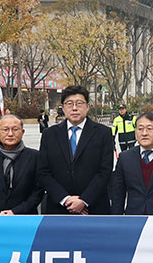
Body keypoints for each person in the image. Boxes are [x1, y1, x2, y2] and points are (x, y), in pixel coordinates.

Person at [37, 85, 114, 215]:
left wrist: (84, 200)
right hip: (59, 208)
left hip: (94, 207)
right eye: (69, 104)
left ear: (87, 106)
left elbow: (105, 171)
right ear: (63, 108)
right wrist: (66, 199)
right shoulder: (49, 134)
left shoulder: (103, 133)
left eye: (79, 103)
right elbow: (43, 171)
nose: (74, 108)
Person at [0, 114, 44, 215]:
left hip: (25, 219)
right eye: (5, 129)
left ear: (22, 132)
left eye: (15, 129)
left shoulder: (35, 157)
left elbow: (38, 192)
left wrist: (15, 212)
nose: (10, 134)